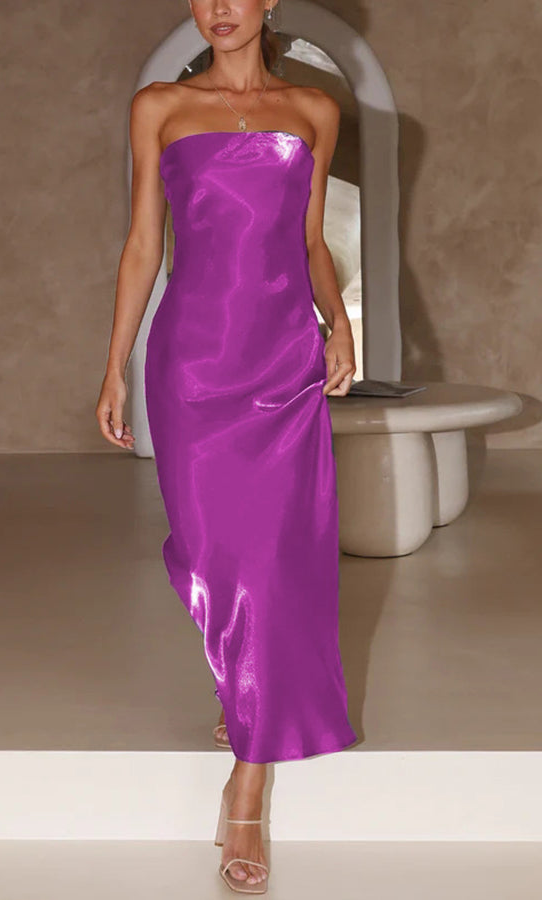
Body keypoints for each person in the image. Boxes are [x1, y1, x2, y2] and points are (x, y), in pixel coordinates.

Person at [95, 0, 358, 892]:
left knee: (275, 556)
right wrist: (114, 365)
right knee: (213, 549)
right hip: (193, 362)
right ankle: (240, 672)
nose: (220, 9)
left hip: (281, 359)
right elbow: (143, 243)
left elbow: (310, 239)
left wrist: (337, 322)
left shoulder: (314, 110)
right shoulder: (160, 107)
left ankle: (246, 784)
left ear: (269, 0)